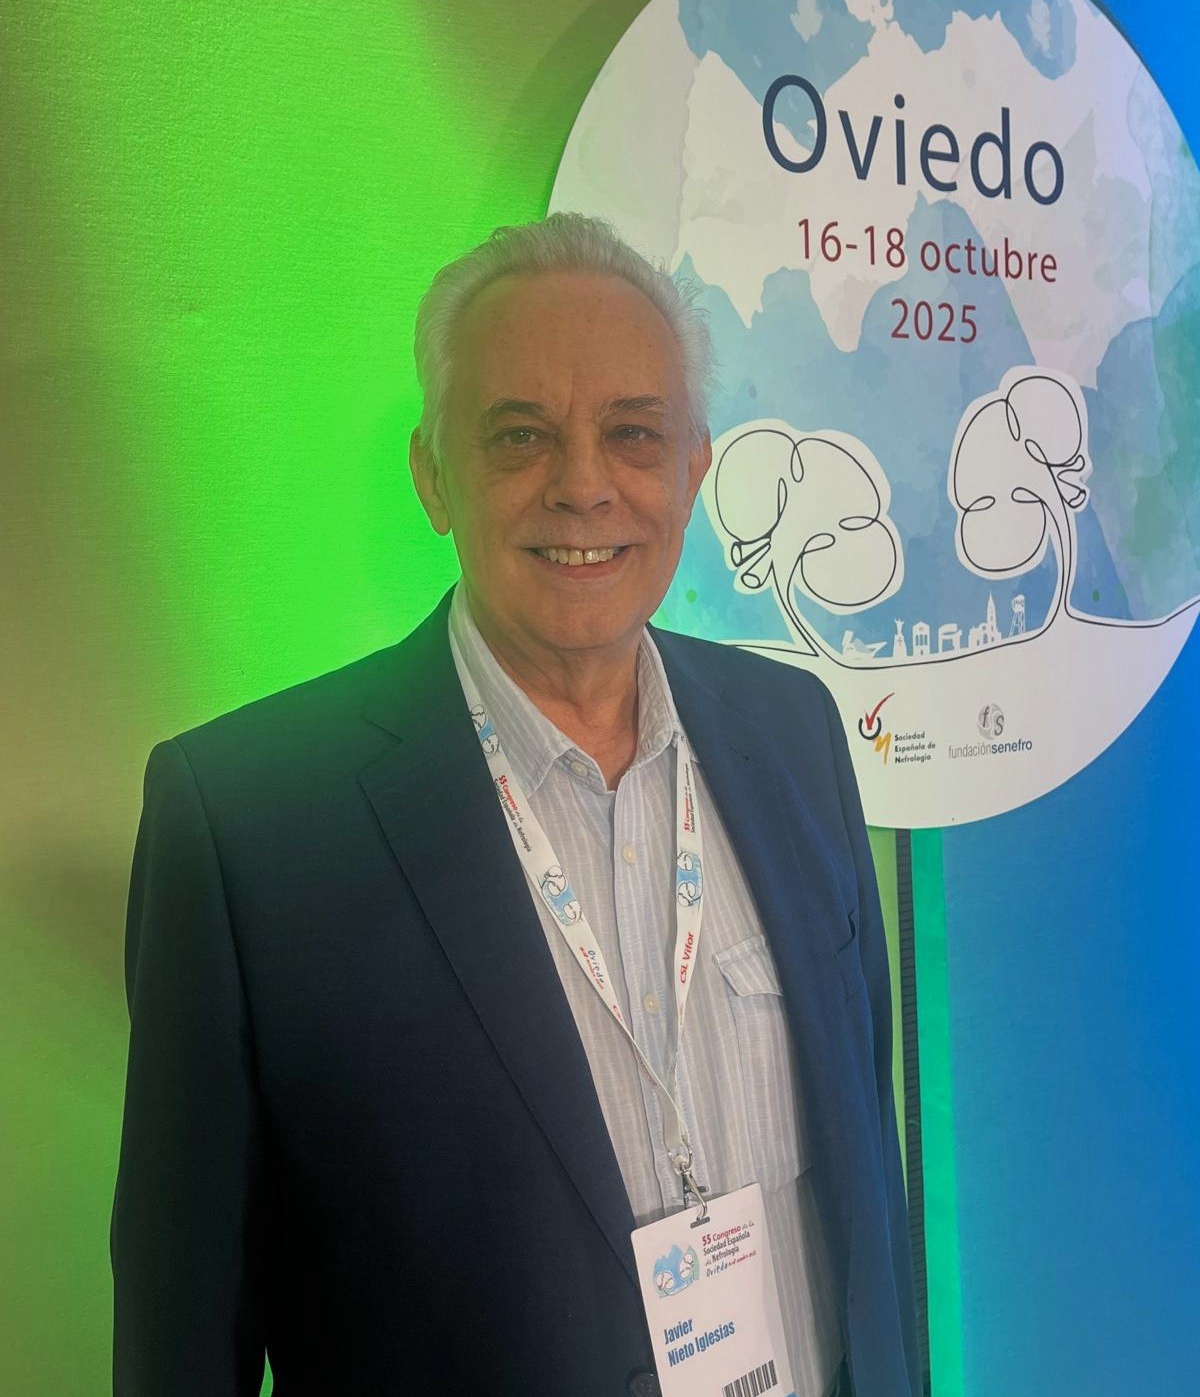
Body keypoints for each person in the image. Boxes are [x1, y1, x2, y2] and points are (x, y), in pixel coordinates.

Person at [112, 214, 920, 1397]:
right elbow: (183, 1333)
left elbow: (868, 1183)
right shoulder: (245, 828)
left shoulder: (794, 732)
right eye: (520, 435)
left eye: (632, 432)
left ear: (693, 469)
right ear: (433, 474)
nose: (583, 485)